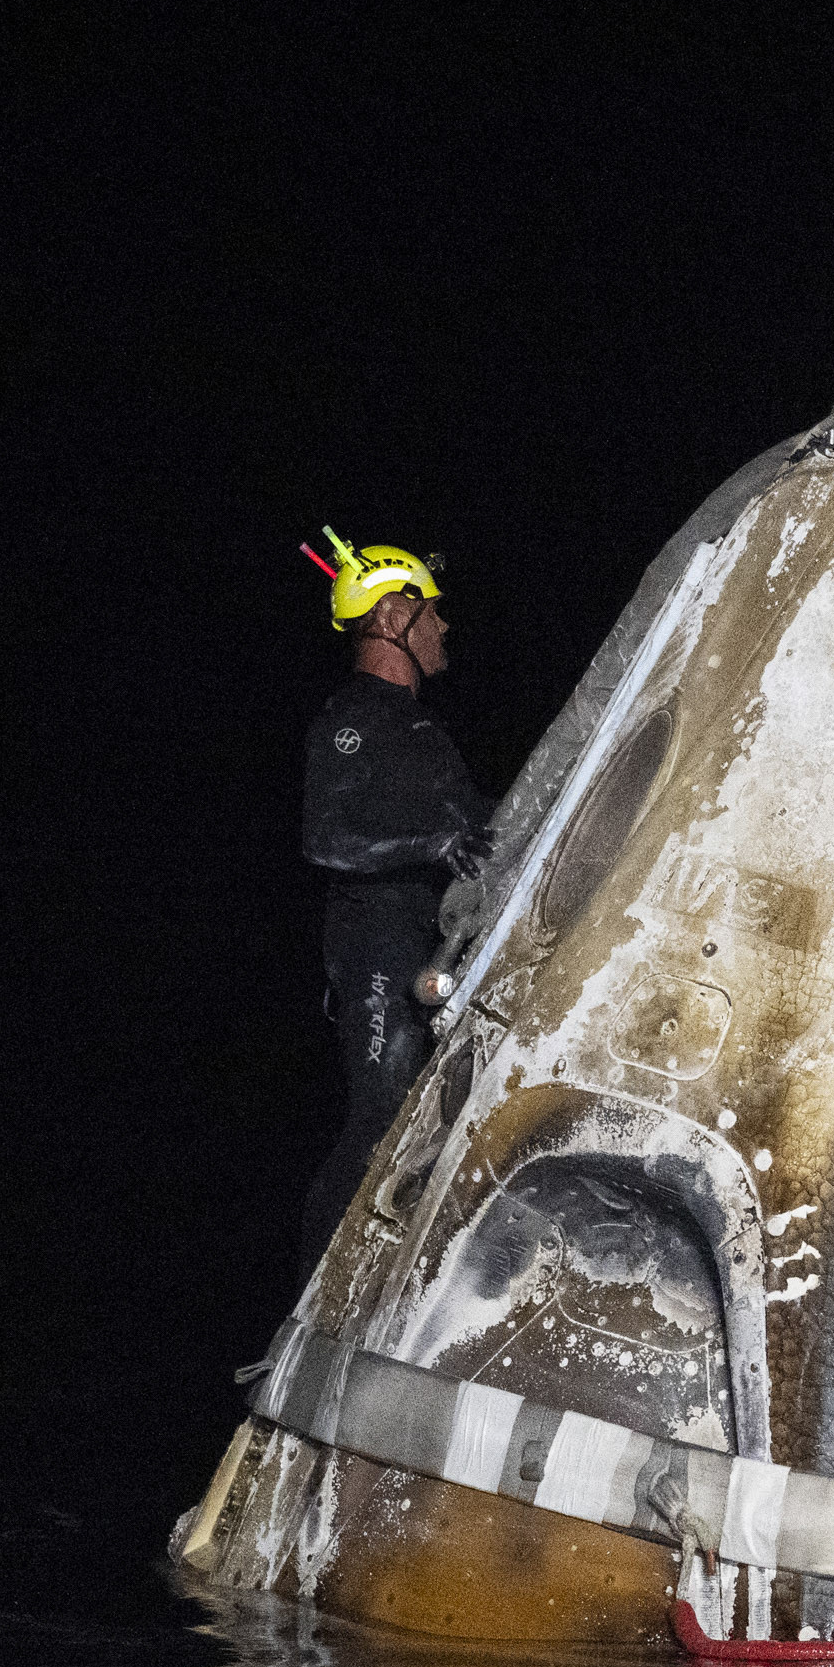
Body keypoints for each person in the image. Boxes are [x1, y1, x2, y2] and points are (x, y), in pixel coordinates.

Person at [300, 529, 490, 1273]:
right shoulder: (356, 716)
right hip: (375, 943)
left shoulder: (422, 731)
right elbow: (326, 837)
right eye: (431, 611)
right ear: (390, 620)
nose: (444, 625)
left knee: (430, 1124)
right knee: (379, 1119)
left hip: (429, 945)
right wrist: (433, 845)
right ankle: (306, 1311)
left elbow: (479, 826)